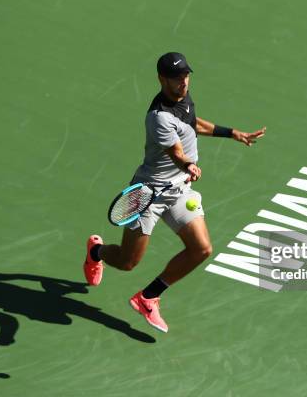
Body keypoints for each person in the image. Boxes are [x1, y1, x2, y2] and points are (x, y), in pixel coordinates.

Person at [83, 52, 266, 333]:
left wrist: (233, 133)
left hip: (179, 190)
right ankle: (96, 251)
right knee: (127, 261)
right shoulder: (158, 118)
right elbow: (176, 153)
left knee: (202, 249)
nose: (183, 82)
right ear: (161, 79)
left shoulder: (184, 99)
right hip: (149, 195)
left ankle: (148, 297)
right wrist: (189, 165)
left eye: (186, 76)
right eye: (176, 78)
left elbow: (194, 123)